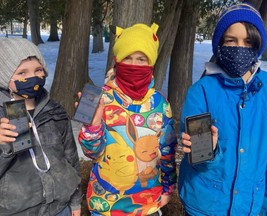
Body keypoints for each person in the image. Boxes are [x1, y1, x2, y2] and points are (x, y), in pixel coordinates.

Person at [178, 3, 267, 216]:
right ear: (220, 44)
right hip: (205, 207)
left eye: (248, 41)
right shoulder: (201, 92)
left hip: (252, 207)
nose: (240, 48)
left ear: (258, 44)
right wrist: (208, 152)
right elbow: (199, 158)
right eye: (231, 40)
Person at [78, 23, 177, 216]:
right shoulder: (100, 99)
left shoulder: (160, 104)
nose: (134, 64)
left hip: (148, 204)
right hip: (106, 205)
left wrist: (168, 189)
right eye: (127, 58)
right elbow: (91, 153)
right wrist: (93, 126)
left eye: (141, 59)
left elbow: (167, 150)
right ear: (117, 60)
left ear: (151, 63)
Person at [0, 38, 82, 216]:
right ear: (5, 76)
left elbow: (71, 158)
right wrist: (4, 146)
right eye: (22, 73)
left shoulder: (56, 111)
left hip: (61, 208)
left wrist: (75, 202)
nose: (32, 78)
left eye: (38, 70)